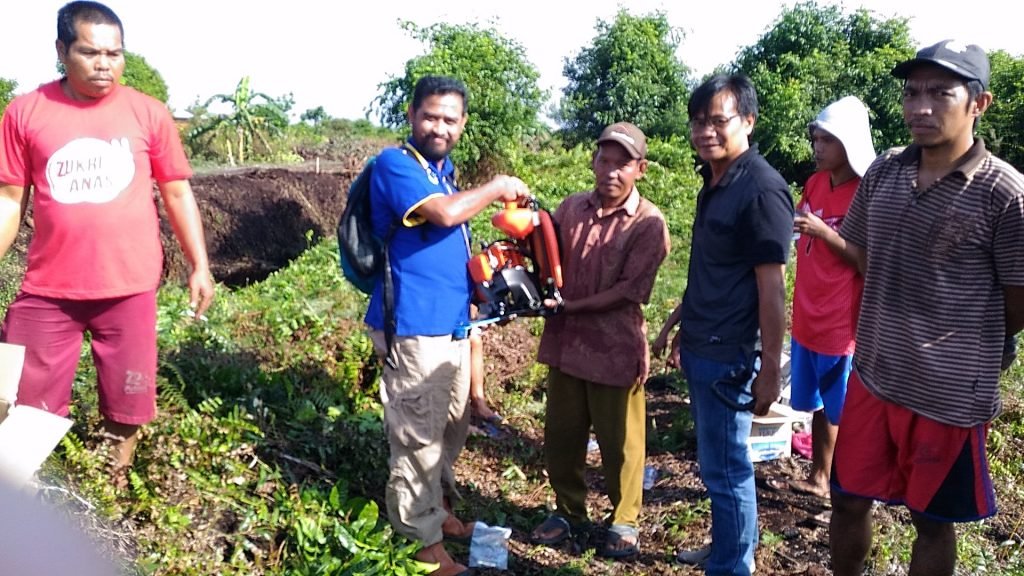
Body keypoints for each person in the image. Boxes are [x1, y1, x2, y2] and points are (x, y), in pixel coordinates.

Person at [823, 40, 1024, 576]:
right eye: (913, 93)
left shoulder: (1004, 193)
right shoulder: (885, 171)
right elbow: (861, 252)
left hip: (948, 395)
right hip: (874, 375)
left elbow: (1018, 296)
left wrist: (967, 345)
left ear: (979, 103)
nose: (921, 107)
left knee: (932, 520)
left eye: (941, 93)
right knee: (846, 499)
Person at [0, 1, 214, 482]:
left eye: (115, 54)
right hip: (49, 289)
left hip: (130, 287)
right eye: (91, 52)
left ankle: (112, 494)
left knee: (126, 404)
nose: (105, 65)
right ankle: (24, 502)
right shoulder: (25, 113)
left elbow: (177, 192)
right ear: (61, 50)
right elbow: (10, 202)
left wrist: (199, 265)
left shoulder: (148, 113)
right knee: (22, 404)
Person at [363, 75, 530, 576]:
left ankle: (441, 512)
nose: (439, 126)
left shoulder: (444, 171)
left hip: (453, 326)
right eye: (431, 116)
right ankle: (422, 546)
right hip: (413, 327)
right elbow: (444, 216)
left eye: (450, 119)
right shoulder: (396, 165)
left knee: (451, 426)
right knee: (417, 437)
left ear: (462, 125)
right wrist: (498, 186)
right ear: (412, 116)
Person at [653, 74, 793, 575]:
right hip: (701, 341)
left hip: (729, 351)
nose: (705, 130)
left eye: (718, 120)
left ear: (748, 122)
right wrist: (676, 324)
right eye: (698, 120)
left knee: (727, 468)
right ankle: (728, 552)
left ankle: (733, 566)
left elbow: (771, 288)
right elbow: (710, 268)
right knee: (718, 466)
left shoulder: (760, 189)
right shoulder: (715, 181)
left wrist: (771, 369)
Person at [528, 122, 670, 559]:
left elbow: (630, 291)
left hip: (614, 348)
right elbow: (542, 249)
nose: (610, 170)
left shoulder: (649, 224)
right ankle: (568, 510)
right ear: (593, 161)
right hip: (568, 344)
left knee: (621, 443)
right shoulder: (571, 208)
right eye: (603, 160)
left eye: (622, 163)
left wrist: (572, 305)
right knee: (562, 435)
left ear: (640, 169)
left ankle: (624, 518)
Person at [780, 96, 875, 499]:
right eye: (816, 139)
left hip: (841, 320)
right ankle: (821, 475)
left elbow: (865, 260)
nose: (818, 148)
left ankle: (847, 486)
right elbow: (798, 229)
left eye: (827, 141)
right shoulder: (815, 183)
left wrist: (824, 232)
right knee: (817, 403)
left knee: (844, 409)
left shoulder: (865, 192)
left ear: (849, 143)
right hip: (807, 312)